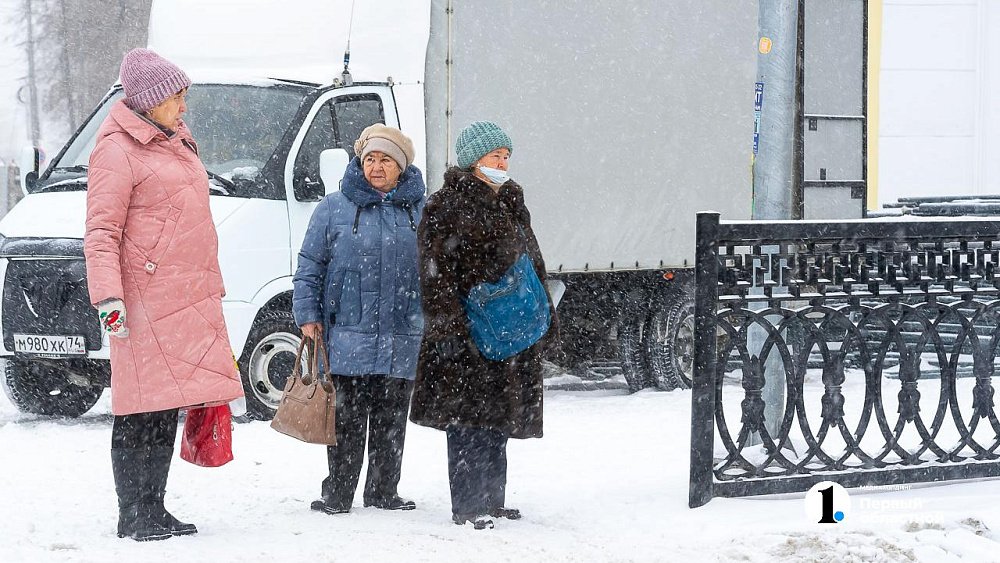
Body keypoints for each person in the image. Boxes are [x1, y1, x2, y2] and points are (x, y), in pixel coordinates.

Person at [84, 48, 244, 541]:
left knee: (163, 406)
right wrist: (108, 301)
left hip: (183, 297)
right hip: (141, 302)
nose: (184, 106)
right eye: (177, 97)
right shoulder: (116, 150)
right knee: (138, 406)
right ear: (150, 101)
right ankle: (133, 512)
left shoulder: (175, 141)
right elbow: (101, 231)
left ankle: (153, 506)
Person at [410, 121, 558, 530]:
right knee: (466, 423)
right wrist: (448, 331)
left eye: (506, 155)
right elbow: (434, 275)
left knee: (497, 420)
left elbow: (532, 265)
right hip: (469, 333)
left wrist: (543, 317)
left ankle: (493, 499)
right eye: (495, 155)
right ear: (473, 160)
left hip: (508, 332)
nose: (503, 162)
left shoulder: (510, 201)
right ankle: (468, 505)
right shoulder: (445, 205)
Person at [293, 123, 426, 515]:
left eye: (386, 159)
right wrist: (307, 315)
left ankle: (384, 492)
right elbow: (309, 266)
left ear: (401, 166)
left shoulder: (421, 210)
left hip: (403, 333)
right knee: (346, 421)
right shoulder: (333, 207)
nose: (376, 166)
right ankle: (338, 494)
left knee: (391, 421)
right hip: (349, 332)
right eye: (370, 158)